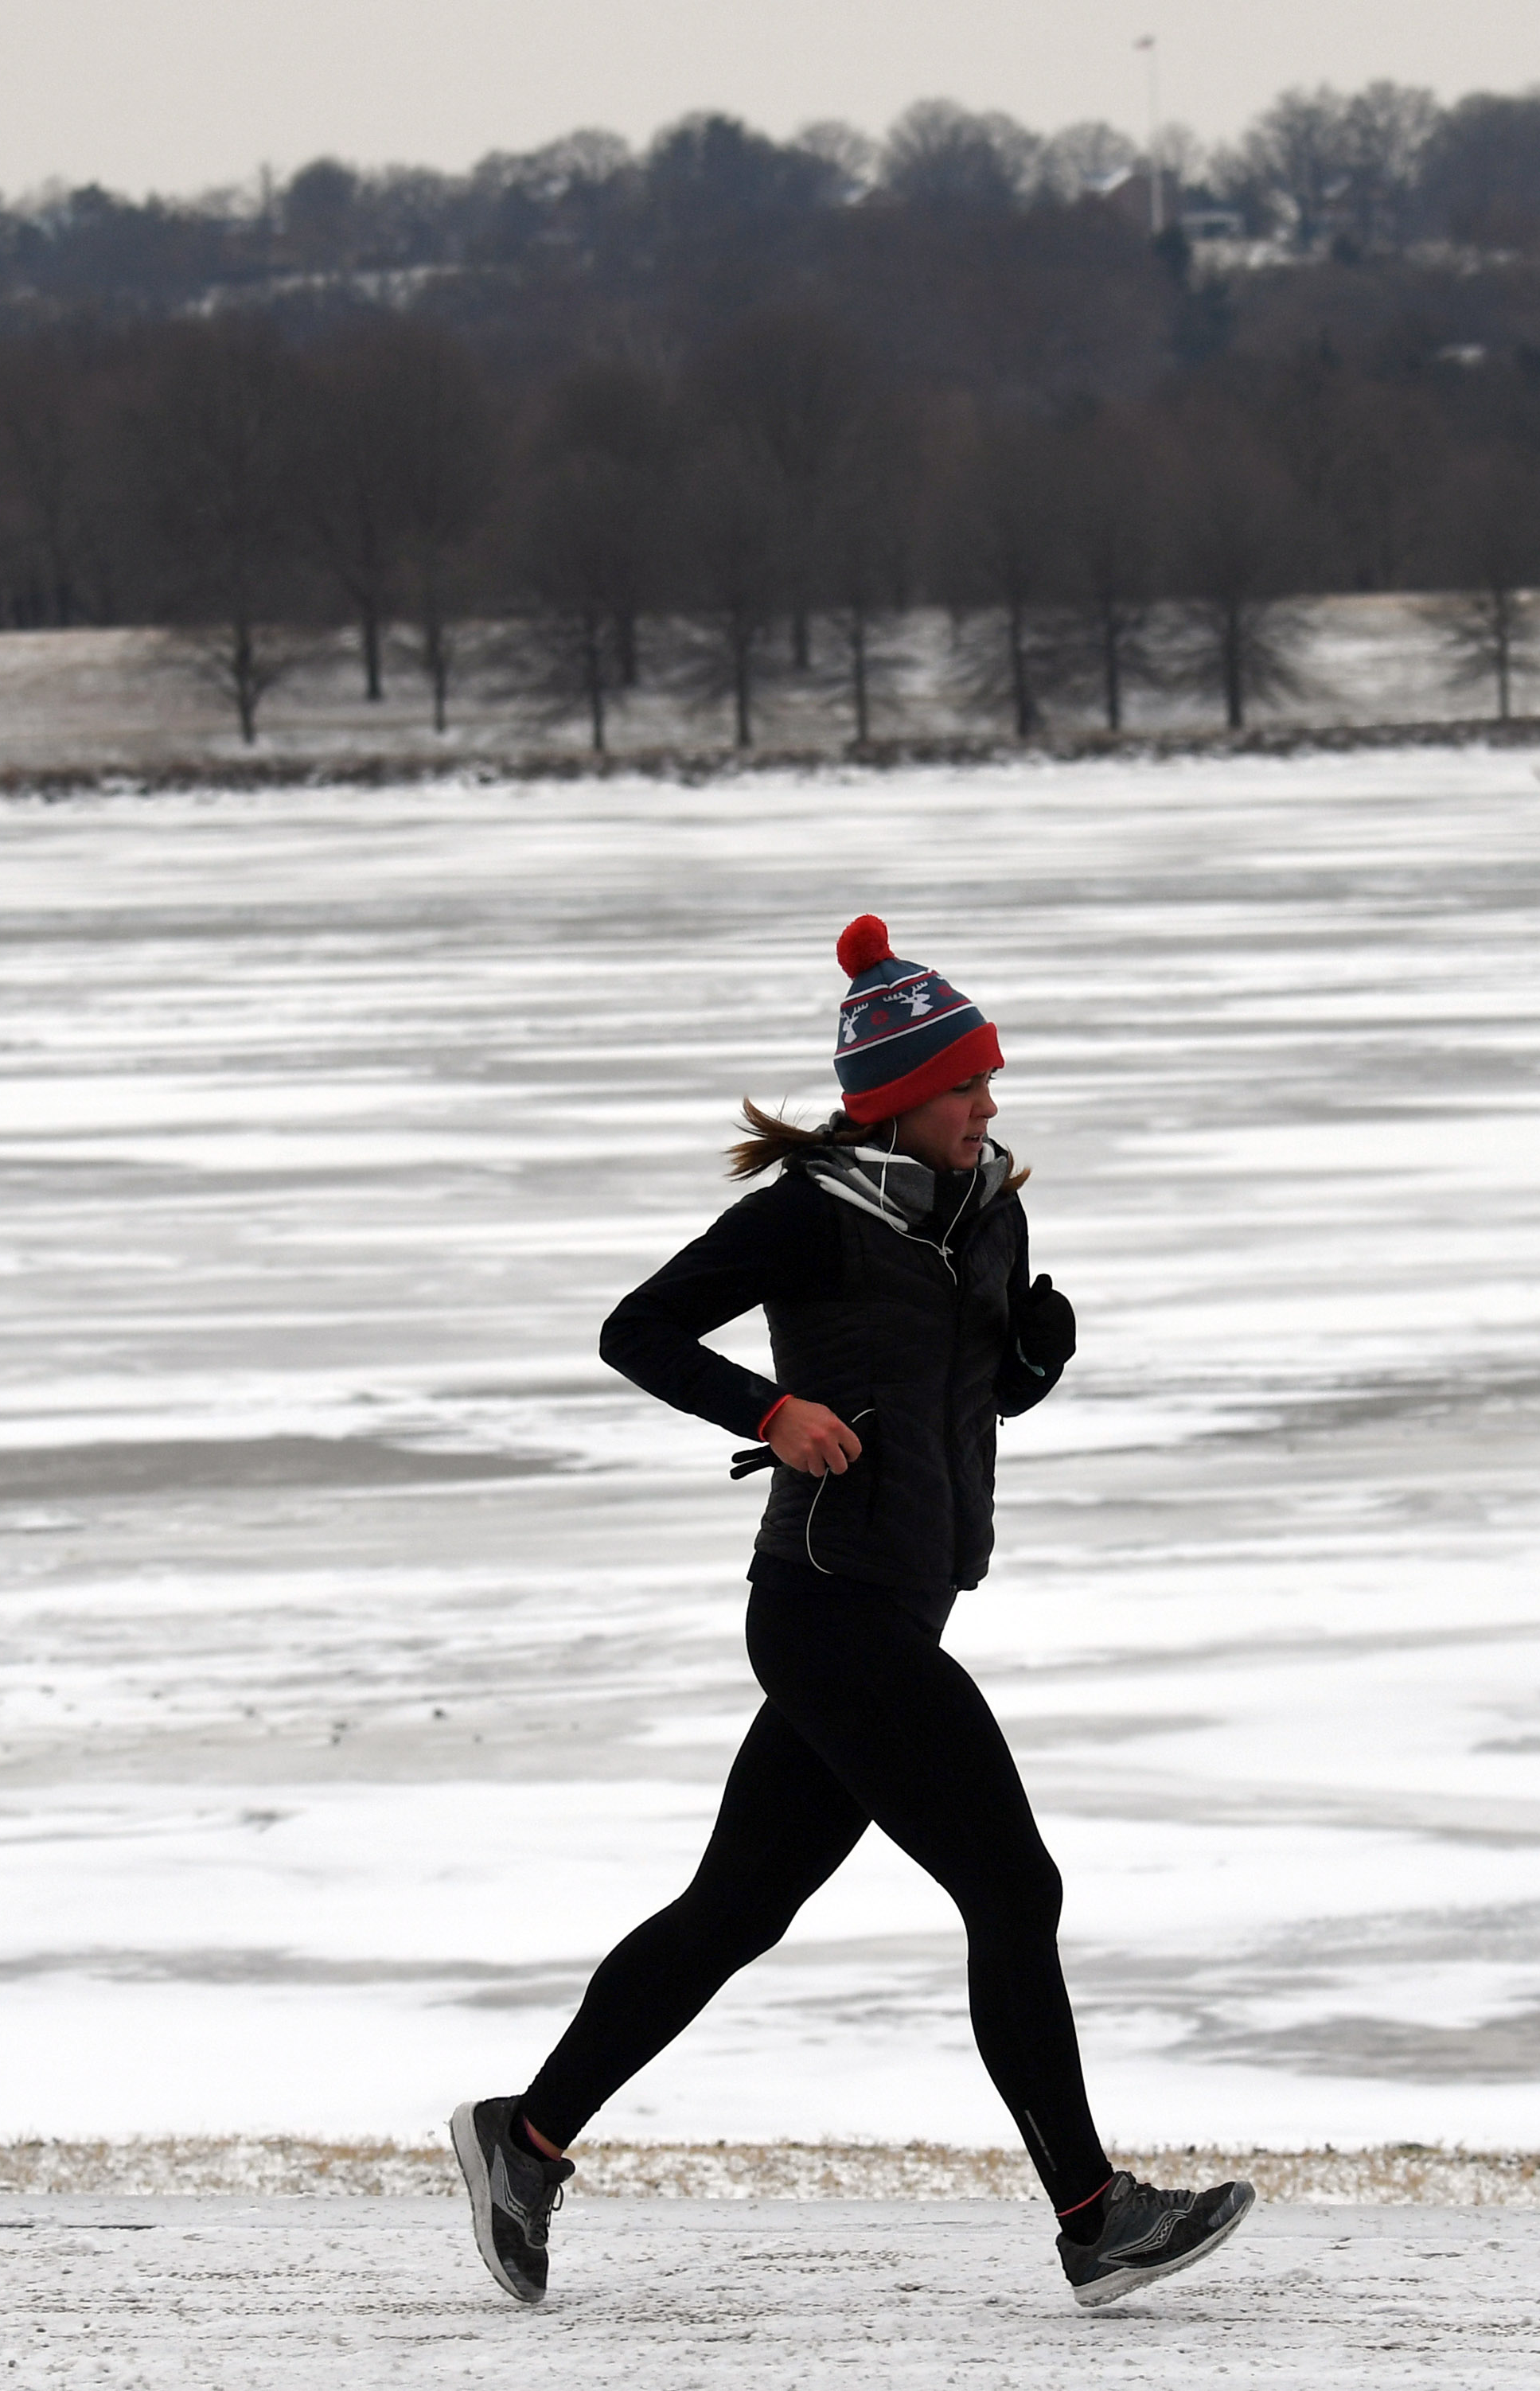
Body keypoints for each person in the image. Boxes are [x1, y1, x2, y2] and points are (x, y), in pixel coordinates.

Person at [450, 914, 1254, 2311]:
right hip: (826, 1609)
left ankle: (521, 2143)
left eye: (989, 1085)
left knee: (732, 1913)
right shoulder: (809, 1215)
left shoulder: (989, 1210)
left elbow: (974, 1394)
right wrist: (771, 1407)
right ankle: (1093, 2214)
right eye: (967, 1088)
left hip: (907, 1601)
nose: (989, 1108)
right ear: (897, 1098)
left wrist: (1033, 1365)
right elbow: (634, 1329)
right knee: (1014, 1888)